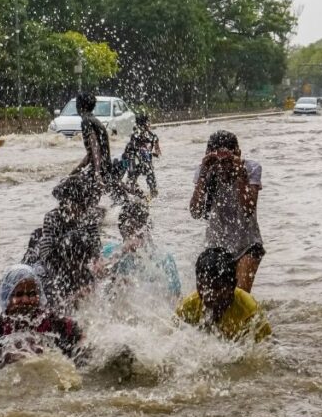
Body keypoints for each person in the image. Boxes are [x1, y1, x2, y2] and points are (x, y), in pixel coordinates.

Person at [0, 265, 83, 371]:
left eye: (32, 294)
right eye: (19, 295)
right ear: (6, 297)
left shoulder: (57, 324)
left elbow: (81, 346)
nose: (26, 300)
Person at [189, 130, 264, 292]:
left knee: (240, 295)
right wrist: (203, 174)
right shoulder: (205, 171)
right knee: (213, 296)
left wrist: (240, 176)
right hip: (216, 245)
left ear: (238, 154)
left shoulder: (251, 169)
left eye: (226, 161)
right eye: (216, 162)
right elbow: (195, 212)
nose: (221, 167)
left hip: (248, 244)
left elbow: (248, 209)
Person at [37, 174, 104, 310]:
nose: (78, 209)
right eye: (75, 203)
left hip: (82, 263)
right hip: (58, 263)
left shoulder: (89, 217)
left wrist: (97, 261)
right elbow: (45, 251)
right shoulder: (52, 217)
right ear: (65, 201)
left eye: (83, 204)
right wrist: (60, 271)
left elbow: (96, 243)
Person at [177, 247, 271, 342]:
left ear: (233, 286)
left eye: (216, 287)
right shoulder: (187, 307)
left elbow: (267, 347)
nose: (208, 293)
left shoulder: (250, 313)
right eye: (202, 285)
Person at [100, 199, 181, 304]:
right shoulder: (110, 251)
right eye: (129, 230)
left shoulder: (164, 259)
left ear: (148, 229)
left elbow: (175, 298)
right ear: (121, 230)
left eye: (138, 230)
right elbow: (97, 274)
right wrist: (121, 252)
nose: (134, 236)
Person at [122, 112, 160, 198]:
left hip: (138, 164)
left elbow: (129, 149)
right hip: (142, 164)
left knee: (131, 182)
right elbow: (158, 153)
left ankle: (141, 197)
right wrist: (152, 153)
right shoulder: (153, 136)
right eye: (148, 122)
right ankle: (147, 199)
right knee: (151, 186)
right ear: (146, 123)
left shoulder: (136, 135)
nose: (149, 124)